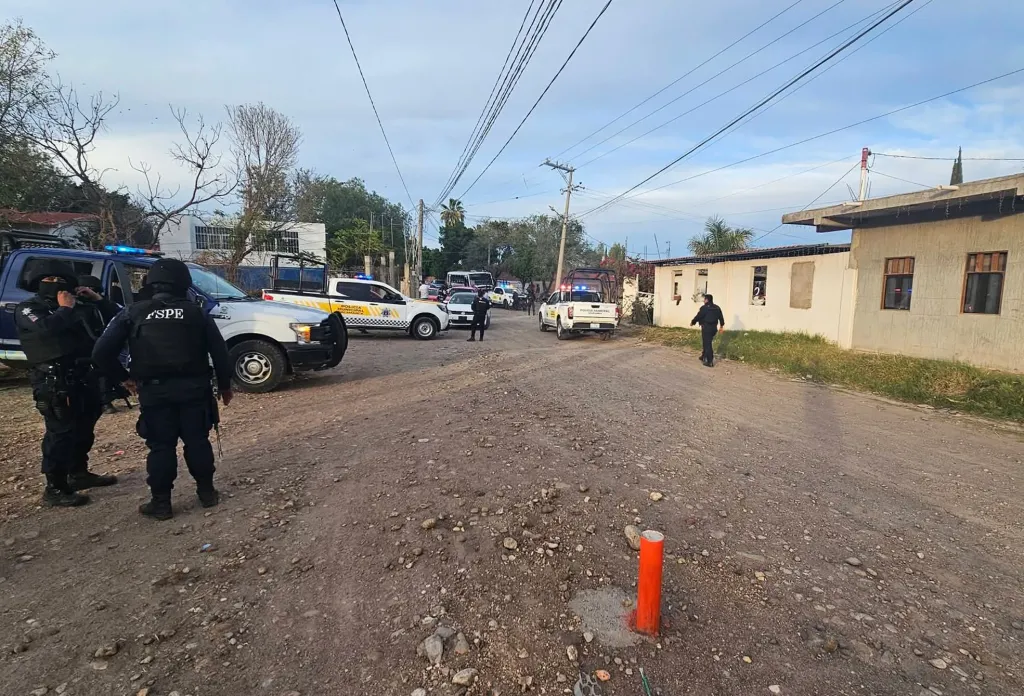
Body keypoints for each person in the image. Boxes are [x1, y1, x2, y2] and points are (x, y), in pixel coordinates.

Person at [92, 258, 233, 521]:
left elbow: (100, 353)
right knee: (197, 442)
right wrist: (225, 386)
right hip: (194, 391)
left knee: (161, 448)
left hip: (154, 394)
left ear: (150, 283)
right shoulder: (197, 313)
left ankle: (161, 504)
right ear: (184, 283)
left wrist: (123, 378)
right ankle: (206, 494)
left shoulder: (132, 313)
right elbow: (220, 353)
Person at [15, 259, 119, 507]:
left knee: (85, 427)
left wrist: (97, 300)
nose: (55, 285)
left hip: (84, 376)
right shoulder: (29, 308)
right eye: (48, 280)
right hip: (54, 380)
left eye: (61, 280)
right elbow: (45, 330)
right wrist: (65, 309)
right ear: (37, 283)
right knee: (60, 433)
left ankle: (78, 473)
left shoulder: (80, 305)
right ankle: (55, 487)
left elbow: (119, 318)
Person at [76, 275, 131, 414]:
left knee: (104, 366)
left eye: (90, 290)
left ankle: (106, 399)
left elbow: (121, 313)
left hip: (102, 344)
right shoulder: (71, 307)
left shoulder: (103, 305)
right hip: (81, 348)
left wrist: (97, 299)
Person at [691, 293, 725, 367]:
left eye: (704, 299)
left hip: (707, 328)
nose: (703, 301)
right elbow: (721, 317)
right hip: (714, 329)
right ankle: (703, 356)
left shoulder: (704, 308)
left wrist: (693, 322)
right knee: (706, 342)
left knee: (707, 344)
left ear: (706, 300)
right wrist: (721, 326)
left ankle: (710, 361)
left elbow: (698, 316)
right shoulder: (717, 308)